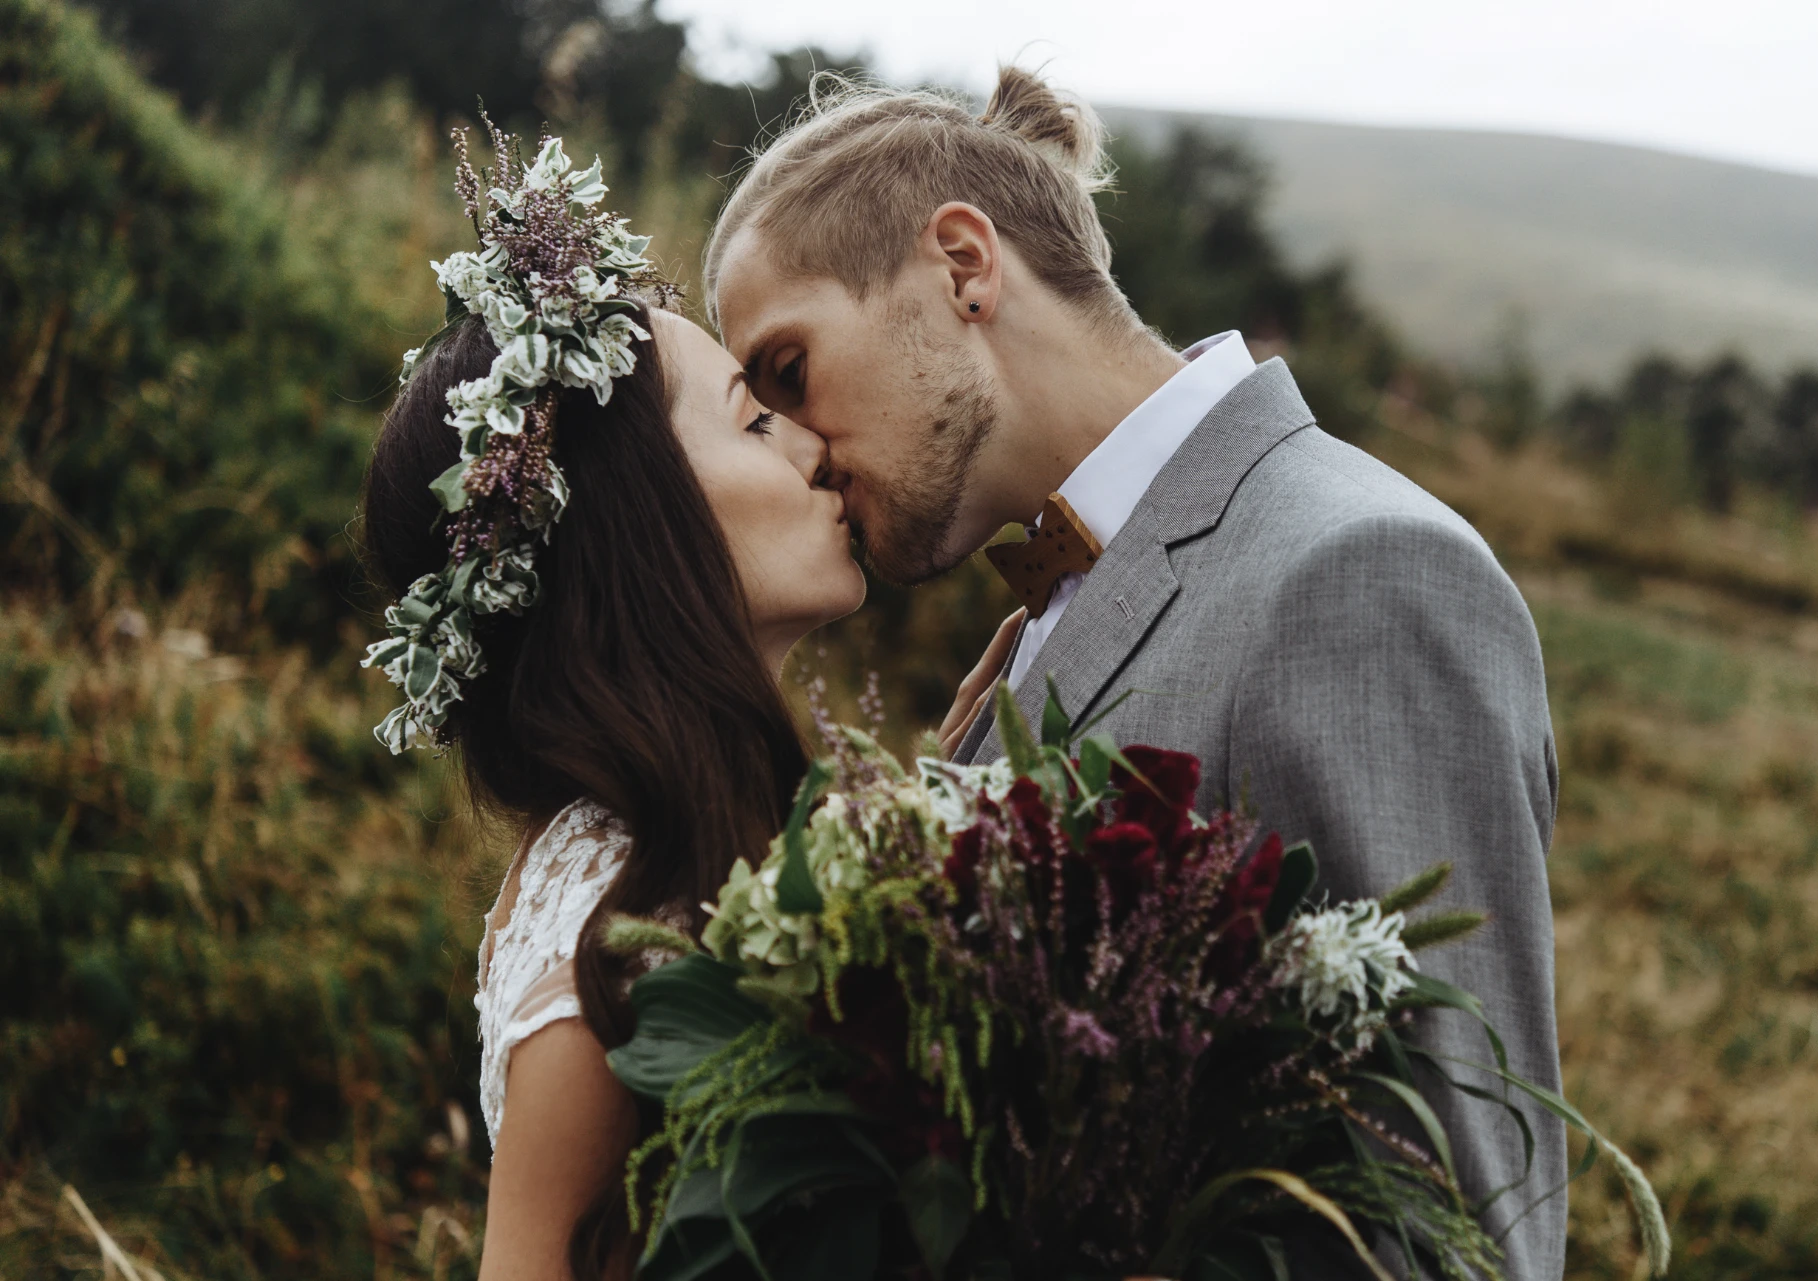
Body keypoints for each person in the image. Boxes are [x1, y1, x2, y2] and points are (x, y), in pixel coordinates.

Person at [706, 67, 1569, 1279]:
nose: (795, 448)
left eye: (790, 372)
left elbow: (1457, 1227)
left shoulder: (1357, 568)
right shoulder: (1037, 621)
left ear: (963, 264)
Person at [359, 130, 880, 1279]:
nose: (814, 444)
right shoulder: (605, 964)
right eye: (754, 419)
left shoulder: (692, 839)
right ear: (635, 528)